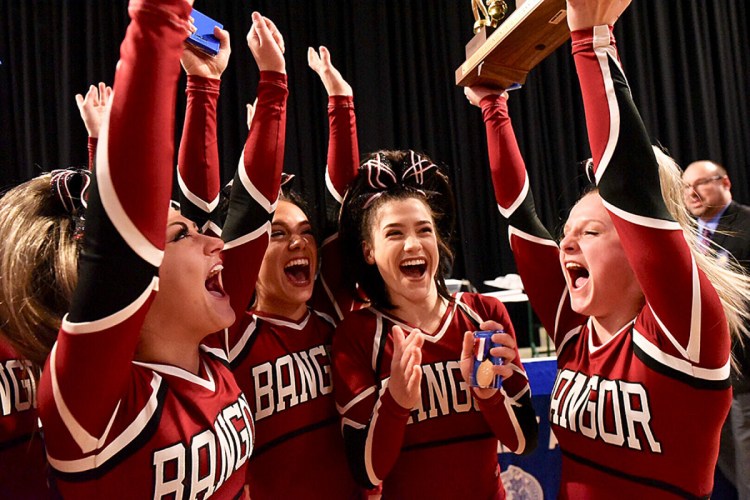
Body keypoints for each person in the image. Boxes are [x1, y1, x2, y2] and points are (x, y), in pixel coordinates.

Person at [465, 0, 750, 496]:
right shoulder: (575, 328)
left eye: (591, 233)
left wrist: (592, 40)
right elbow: (518, 214)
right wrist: (494, 106)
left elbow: (630, 191)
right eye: (568, 232)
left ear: (640, 250)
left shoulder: (685, 332)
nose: (567, 242)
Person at [37, 2, 288, 498]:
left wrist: (258, 81)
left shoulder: (212, 344)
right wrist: (161, 19)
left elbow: (252, 210)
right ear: (139, 271)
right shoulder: (94, 409)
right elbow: (124, 237)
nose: (213, 240)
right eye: (180, 235)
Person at [176, 33, 362, 497]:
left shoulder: (330, 313)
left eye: (304, 232)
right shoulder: (230, 328)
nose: (298, 242)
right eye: (277, 235)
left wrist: (342, 102)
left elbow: (347, 207)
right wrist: (207, 87)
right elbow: (228, 213)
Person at [333, 149, 538, 498]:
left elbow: (524, 443)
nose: (413, 244)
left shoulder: (484, 315)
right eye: (394, 233)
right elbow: (366, 473)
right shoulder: (357, 334)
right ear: (369, 250)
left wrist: (489, 396)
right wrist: (395, 401)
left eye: (424, 230)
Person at [683, 159, 750, 499]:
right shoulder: (686, 236)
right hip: (704, 375)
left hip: (743, 372)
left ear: (725, 183)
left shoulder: (747, 225)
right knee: (722, 464)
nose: (691, 192)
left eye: (701, 183)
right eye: (685, 187)